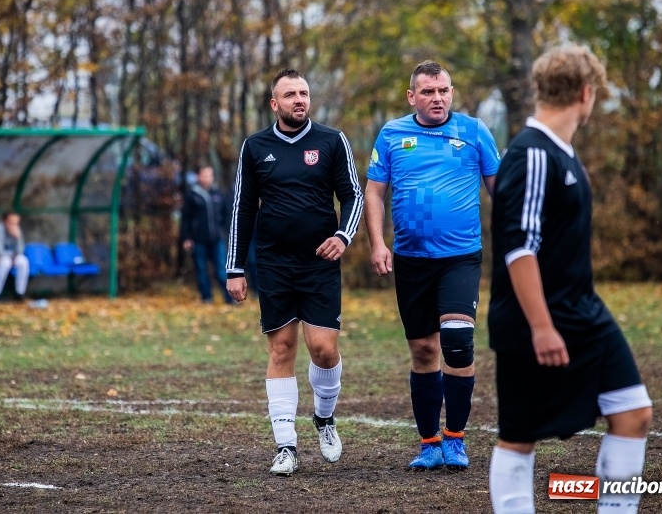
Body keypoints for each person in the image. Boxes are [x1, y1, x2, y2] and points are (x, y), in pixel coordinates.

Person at [487, 45, 653, 513]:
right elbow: (521, 250)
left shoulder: (561, 153)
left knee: (634, 412)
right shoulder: (532, 154)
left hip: (585, 316)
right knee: (519, 439)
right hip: (536, 321)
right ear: (586, 93)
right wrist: (541, 326)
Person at [226, 68, 364, 476]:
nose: (299, 100)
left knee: (323, 348)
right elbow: (242, 209)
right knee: (281, 349)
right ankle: (286, 446)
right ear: (275, 103)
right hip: (273, 264)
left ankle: (324, 418)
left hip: (320, 264)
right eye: (290, 95)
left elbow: (353, 195)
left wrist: (343, 235)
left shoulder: (331, 140)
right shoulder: (255, 147)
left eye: (303, 93)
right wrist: (235, 267)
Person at [364, 60, 500, 471]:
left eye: (443, 90)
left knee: (457, 344)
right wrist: (377, 243)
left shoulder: (474, 131)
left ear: (451, 92)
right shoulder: (392, 134)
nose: (437, 98)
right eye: (428, 91)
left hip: (460, 257)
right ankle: (428, 443)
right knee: (424, 350)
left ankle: (455, 439)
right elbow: (374, 194)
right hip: (410, 260)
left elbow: (502, 192)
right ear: (412, 96)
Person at [180, 165, 233, 304]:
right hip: (199, 240)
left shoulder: (218, 193)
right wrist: (187, 238)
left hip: (217, 238)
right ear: (198, 176)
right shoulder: (192, 195)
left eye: (210, 175)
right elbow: (185, 218)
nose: (207, 178)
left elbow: (227, 214)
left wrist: (224, 230)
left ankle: (229, 298)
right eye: (204, 175)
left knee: (222, 269)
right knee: (202, 270)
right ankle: (207, 298)